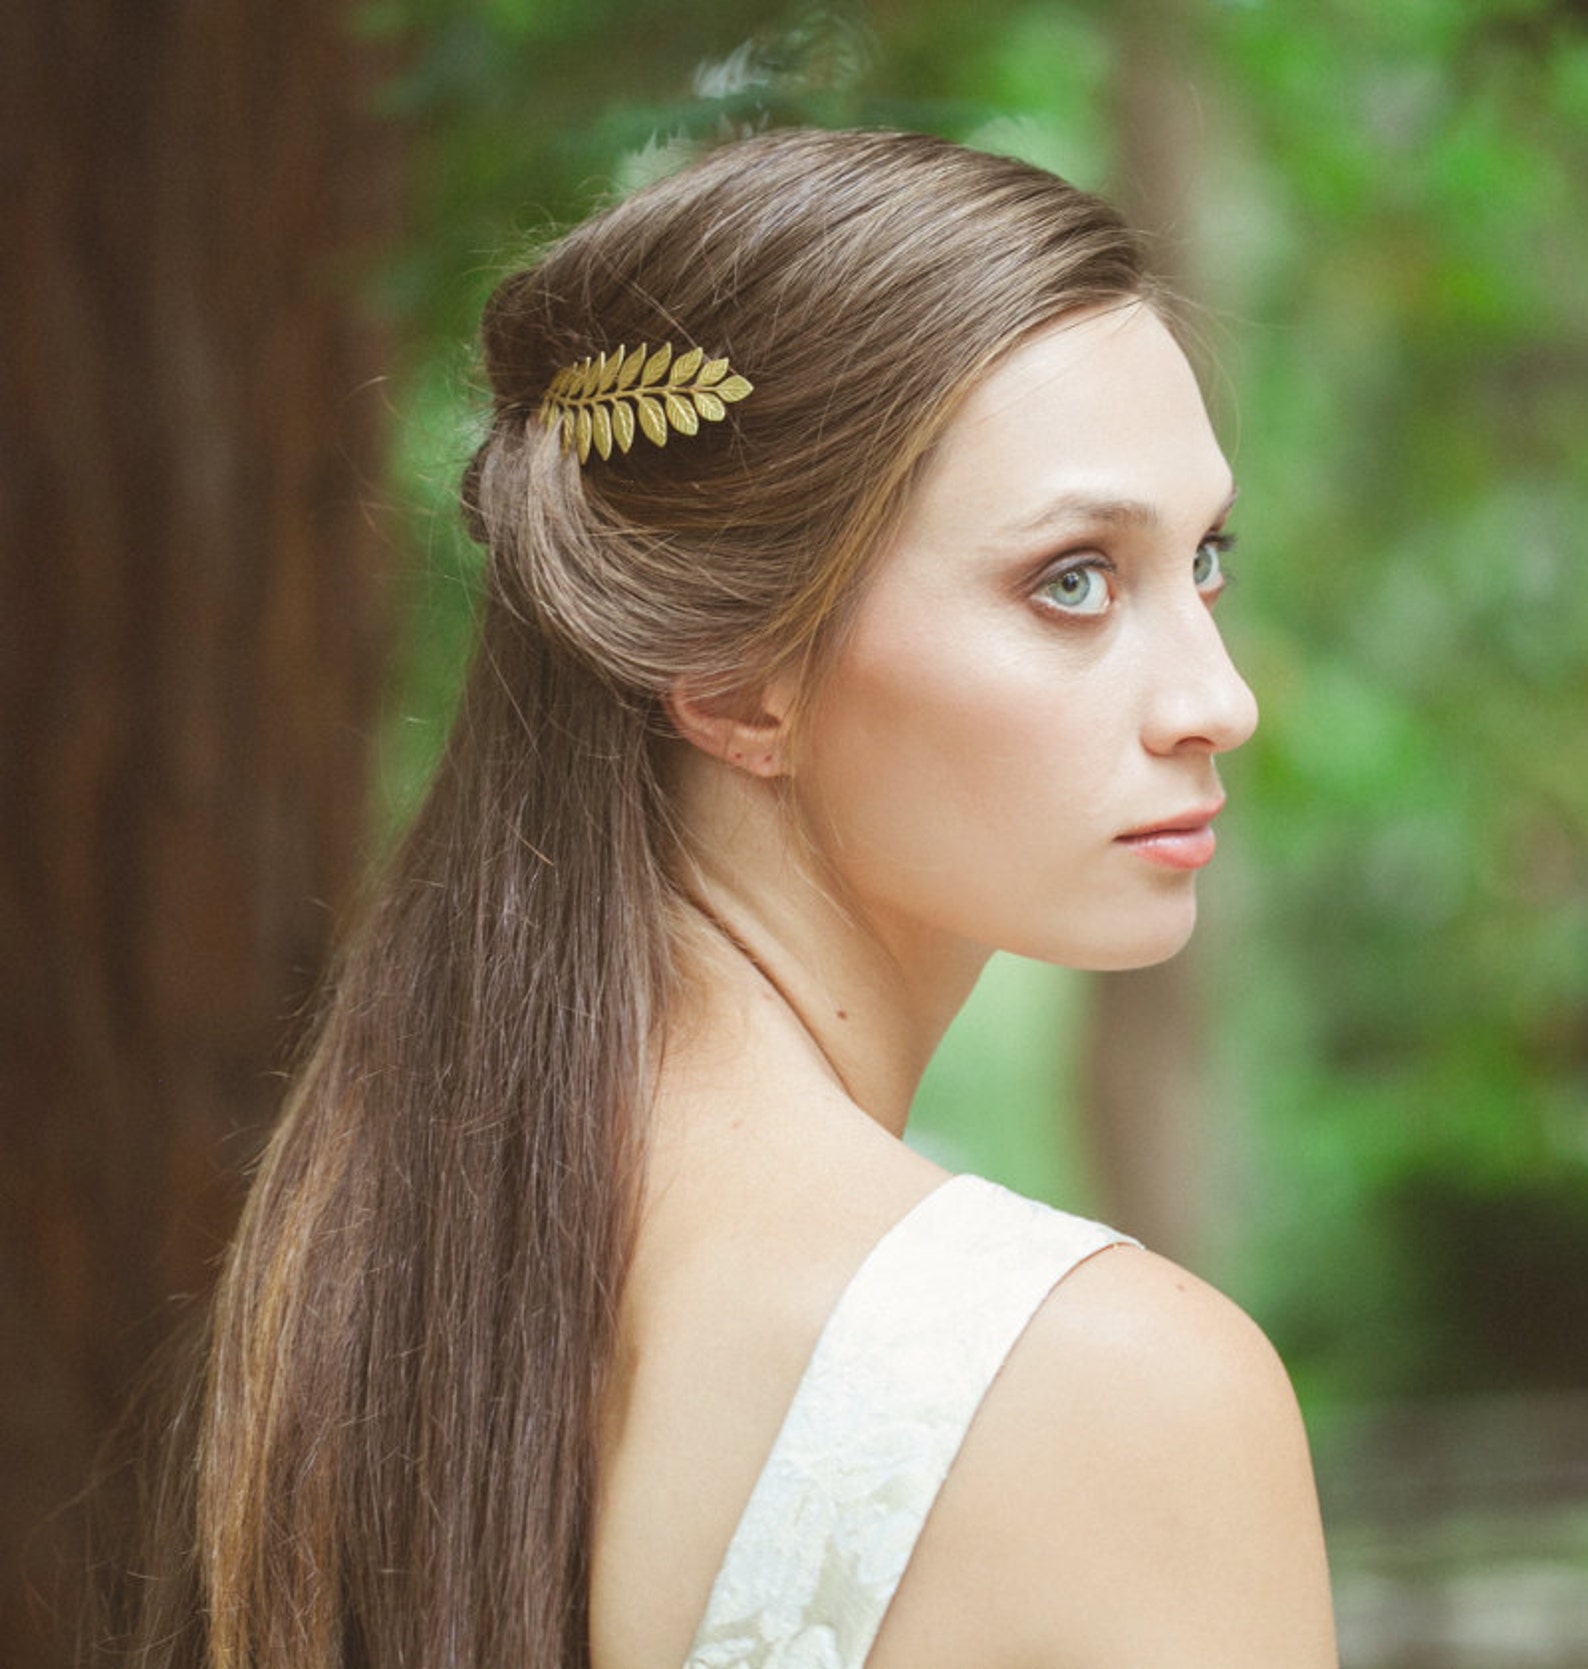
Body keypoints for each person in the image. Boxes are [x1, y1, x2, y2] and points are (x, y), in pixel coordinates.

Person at [105, 128, 1338, 1669]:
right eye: (1073, 578)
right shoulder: (1113, 1385)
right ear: (735, 677)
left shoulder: (359, 1264)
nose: (1215, 700)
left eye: (1204, 560)